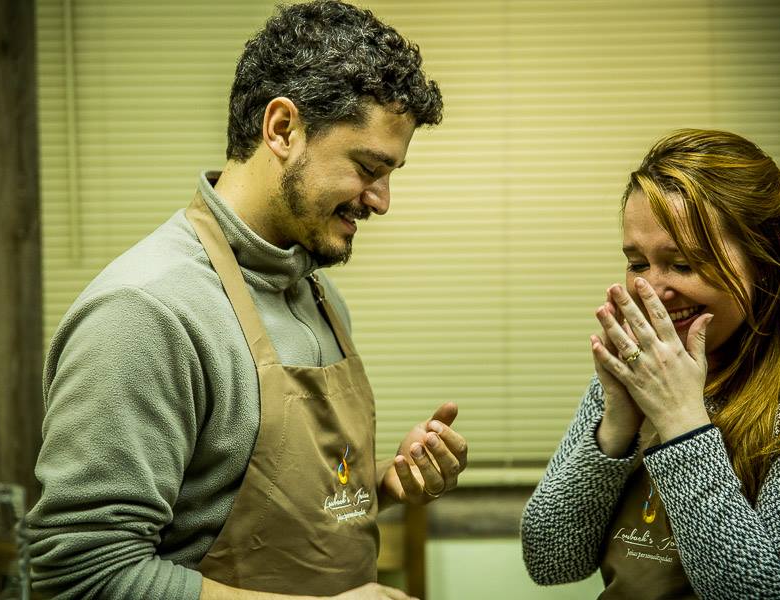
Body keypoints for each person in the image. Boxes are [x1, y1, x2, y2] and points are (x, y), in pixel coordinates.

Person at [25, 2, 468, 599]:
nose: (382, 201)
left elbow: (283, 510)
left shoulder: (316, 293)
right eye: (368, 167)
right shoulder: (146, 311)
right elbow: (84, 574)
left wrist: (386, 482)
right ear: (281, 129)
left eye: (392, 173)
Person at [521, 129, 780, 598]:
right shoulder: (640, 366)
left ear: (769, 257)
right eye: (637, 264)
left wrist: (680, 421)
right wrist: (618, 421)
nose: (654, 292)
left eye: (683, 264)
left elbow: (770, 594)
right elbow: (550, 560)